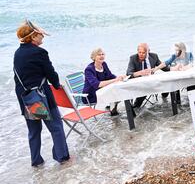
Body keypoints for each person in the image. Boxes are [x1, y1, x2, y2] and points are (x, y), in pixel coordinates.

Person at [13, 20, 70, 167]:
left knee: (34, 130)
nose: (42, 37)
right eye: (40, 35)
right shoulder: (39, 52)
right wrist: (57, 85)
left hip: (26, 98)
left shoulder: (18, 53)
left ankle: (36, 161)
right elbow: (50, 73)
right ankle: (62, 157)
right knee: (56, 127)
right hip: (40, 96)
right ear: (33, 37)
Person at [83, 48, 127, 116]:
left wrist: (119, 78)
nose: (101, 56)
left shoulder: (104, 64)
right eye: (99, 55)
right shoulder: (89, 69)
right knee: (115, 91)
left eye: (103, 54)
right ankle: (113, 110)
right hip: (90, 96)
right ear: (94, 57)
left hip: (102, 91)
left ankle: (113, 106)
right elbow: (97, 84)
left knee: (120, 89)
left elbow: (110, 75)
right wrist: (115, 80)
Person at [126, 43, 169, 109]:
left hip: (152, 81)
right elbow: (128, 73)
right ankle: (136, 107)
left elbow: (165, 68)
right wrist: (140, 73)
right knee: (142, 94)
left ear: (148, 52)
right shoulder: (133, 58)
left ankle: (165, 99)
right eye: (139, 52)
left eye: (143, 53)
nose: (141, 54)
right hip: (140, 83)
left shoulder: (154, 56)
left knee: (166, 83)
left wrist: (174, 68)